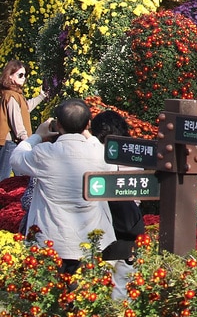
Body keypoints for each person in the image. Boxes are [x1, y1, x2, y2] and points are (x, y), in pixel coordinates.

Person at [9, 99, 114, 272]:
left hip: (51, 243)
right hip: (91, 244)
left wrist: (37, 135)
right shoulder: (98, 153)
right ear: (88, 124)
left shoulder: (45, 153)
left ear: (58, 125)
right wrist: (86, 133)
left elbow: (16, 159)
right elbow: (107, 159)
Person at [89, 110, 144, 300]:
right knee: (122, 290)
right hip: (129, 227)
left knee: (97, 289)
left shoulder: (95, 155)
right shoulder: (134, 155)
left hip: (103, 228)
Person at [0, 60, 46, 182]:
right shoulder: (11, 95)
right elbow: (16, 120)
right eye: (20, 75)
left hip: (14, 142)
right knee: (4, 178)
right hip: (11, 143)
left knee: (22, 178)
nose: (23, 78)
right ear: (10, 76)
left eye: (25, 75)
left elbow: (25, 109)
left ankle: (19, 199)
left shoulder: (15, 94)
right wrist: (26, 139)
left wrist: (41, 96)